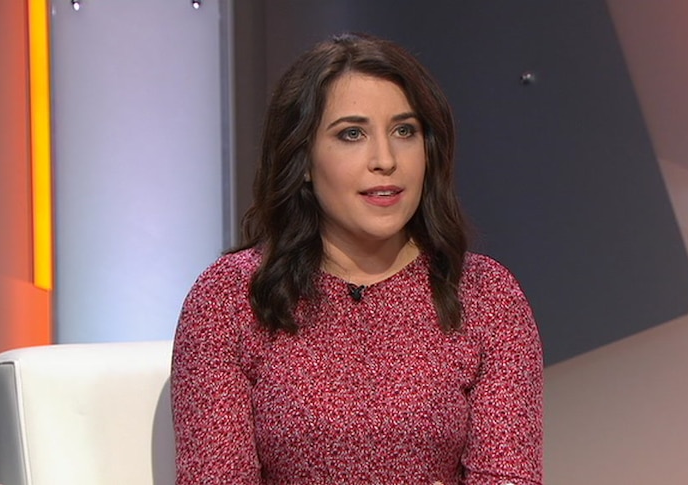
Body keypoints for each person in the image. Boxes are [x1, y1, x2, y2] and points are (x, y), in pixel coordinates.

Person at [171, 32, 543, 485]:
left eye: (404, 131)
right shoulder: (229, 298)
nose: (385, 159)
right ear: (303, 159)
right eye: (352, 134)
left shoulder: (487, 296)